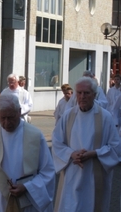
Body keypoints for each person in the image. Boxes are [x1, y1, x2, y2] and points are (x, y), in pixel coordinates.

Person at [0, 94, 55, 212]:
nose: (6, 123)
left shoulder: (35, 135)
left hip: (28, 199)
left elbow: (47, 171)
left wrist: (27, 187)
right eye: (2, 118)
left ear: (19, 112)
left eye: (10, 117)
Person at [52, 76, 121, 212]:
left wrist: (94, 153)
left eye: (86, 93)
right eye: (79, 92)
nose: (82, 96)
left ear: (94, 95)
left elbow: (116, 147)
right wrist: (71, 154)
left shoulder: (105, 117)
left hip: (94, 175)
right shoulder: (68, 115)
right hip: (72, 172)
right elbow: (57, 142)